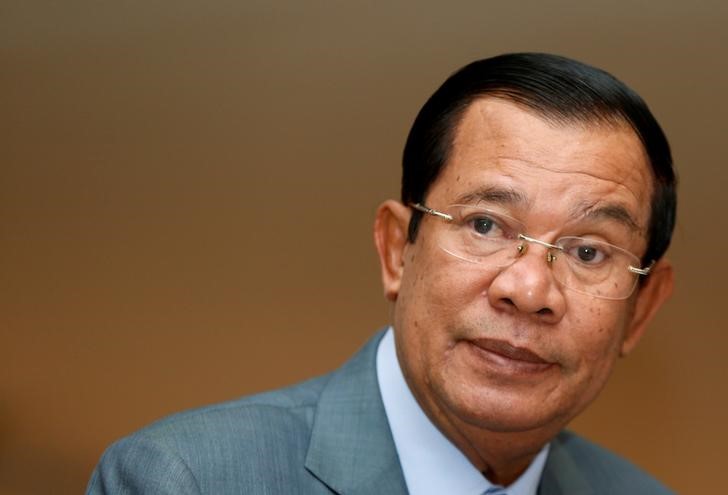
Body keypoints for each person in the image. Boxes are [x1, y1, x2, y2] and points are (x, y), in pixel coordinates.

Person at [87, 52, 677, 494]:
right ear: (398, 249)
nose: (528, 290)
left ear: (642, 311)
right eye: (485, 225)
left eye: (588, 252)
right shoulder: (185, 479)